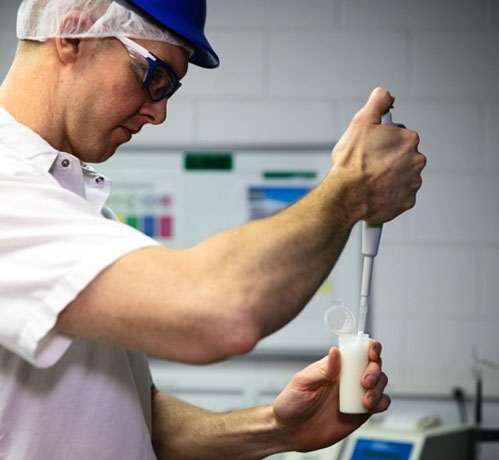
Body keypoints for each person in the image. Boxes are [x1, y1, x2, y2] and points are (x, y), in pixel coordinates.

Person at [0, 0, 426, 459]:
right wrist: (351, 188)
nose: (158, 113)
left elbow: (138, 419)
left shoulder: (73, 206)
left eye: (170, 89)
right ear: (74, 33)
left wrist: (277, 429)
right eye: (154, 76)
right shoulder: (9, 192)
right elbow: (222, 312)